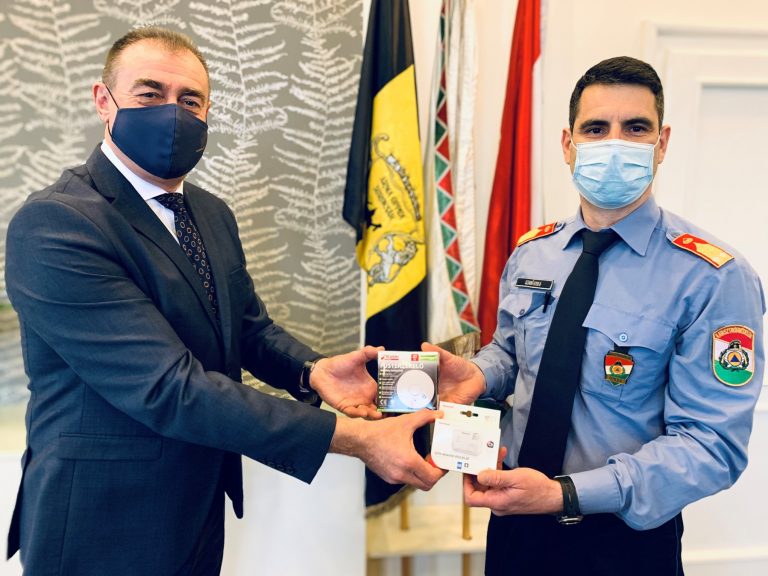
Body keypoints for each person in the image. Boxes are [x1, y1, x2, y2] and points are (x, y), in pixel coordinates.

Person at [4, 26, 442, 575]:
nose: (173, 113)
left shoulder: (211, 213)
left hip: (198, 510)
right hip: (101, 524)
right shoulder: (56, 225)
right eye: (150, 93)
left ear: (208, 112)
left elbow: (249, 328)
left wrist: (312, 370)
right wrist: (356, 438)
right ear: (104, 100)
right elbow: (169, 388)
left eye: (190, 100)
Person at [426, 56, 764, 575]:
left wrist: (565, 494)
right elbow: (513, 354)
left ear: (662, 144)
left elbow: (711, 446)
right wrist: (477, 373)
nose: (615, 144)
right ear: (569, 144)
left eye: (636, 128)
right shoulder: (533, 253)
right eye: (596, 128)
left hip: (621, 539)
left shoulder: (713, 278)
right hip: (514, 517)